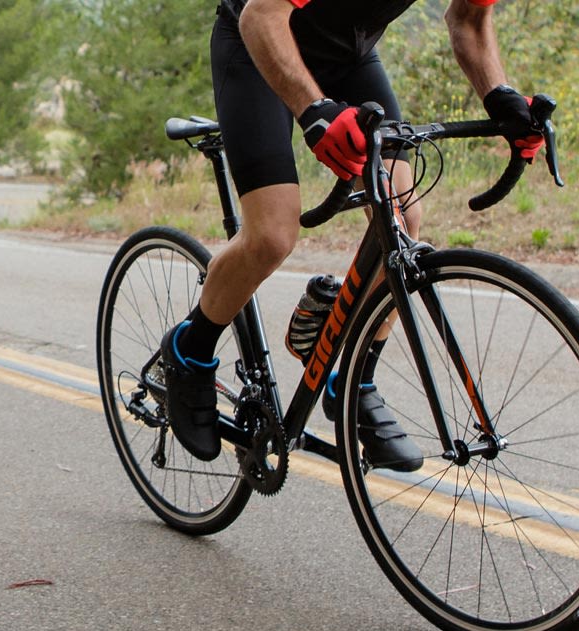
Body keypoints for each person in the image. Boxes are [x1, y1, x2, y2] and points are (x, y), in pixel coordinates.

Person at [157, 0, 546, 469]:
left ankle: (353, 381)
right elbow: (261, 16)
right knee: (272, 235)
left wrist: (499, 94)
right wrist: (313, 110)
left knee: (402, 221)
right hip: (256, 41)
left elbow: (469, 19)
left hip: (349, 57)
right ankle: (189, 350)